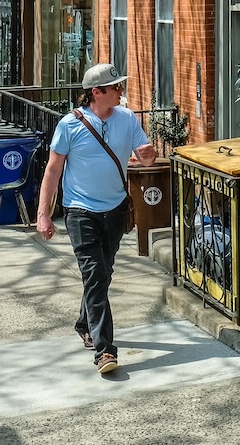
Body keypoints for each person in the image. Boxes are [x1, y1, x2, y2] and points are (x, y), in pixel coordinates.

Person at [36, 63, 156, 375]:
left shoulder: (127, 119)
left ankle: (83, 322)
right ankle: (105, 351)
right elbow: (52, 171)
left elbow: (145, 152)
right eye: (115, 87)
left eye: (120, 85)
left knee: (102, 274)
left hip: (116, 209)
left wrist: (148, 154)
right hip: (80, 212)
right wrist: (44, 215)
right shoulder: (69, 125)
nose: (121, 91)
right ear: (96, 92)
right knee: (96, 276)